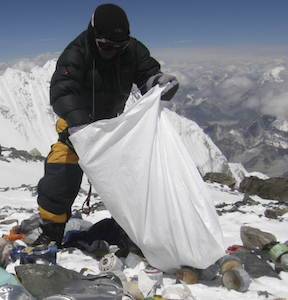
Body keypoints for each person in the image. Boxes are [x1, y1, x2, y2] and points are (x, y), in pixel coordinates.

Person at [34, 3, 180, 246]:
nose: (111, 51)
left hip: (112, 130)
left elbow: (147, 75)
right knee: (60, 177)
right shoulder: (76, 53)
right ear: (93, 35)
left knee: (132, 181)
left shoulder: (132, 51)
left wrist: (158, 83)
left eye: (118, 46)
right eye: (105, 45)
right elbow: (62, 91)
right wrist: (79, 127)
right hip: (75, 130)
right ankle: (51, 233)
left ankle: (132, 233)